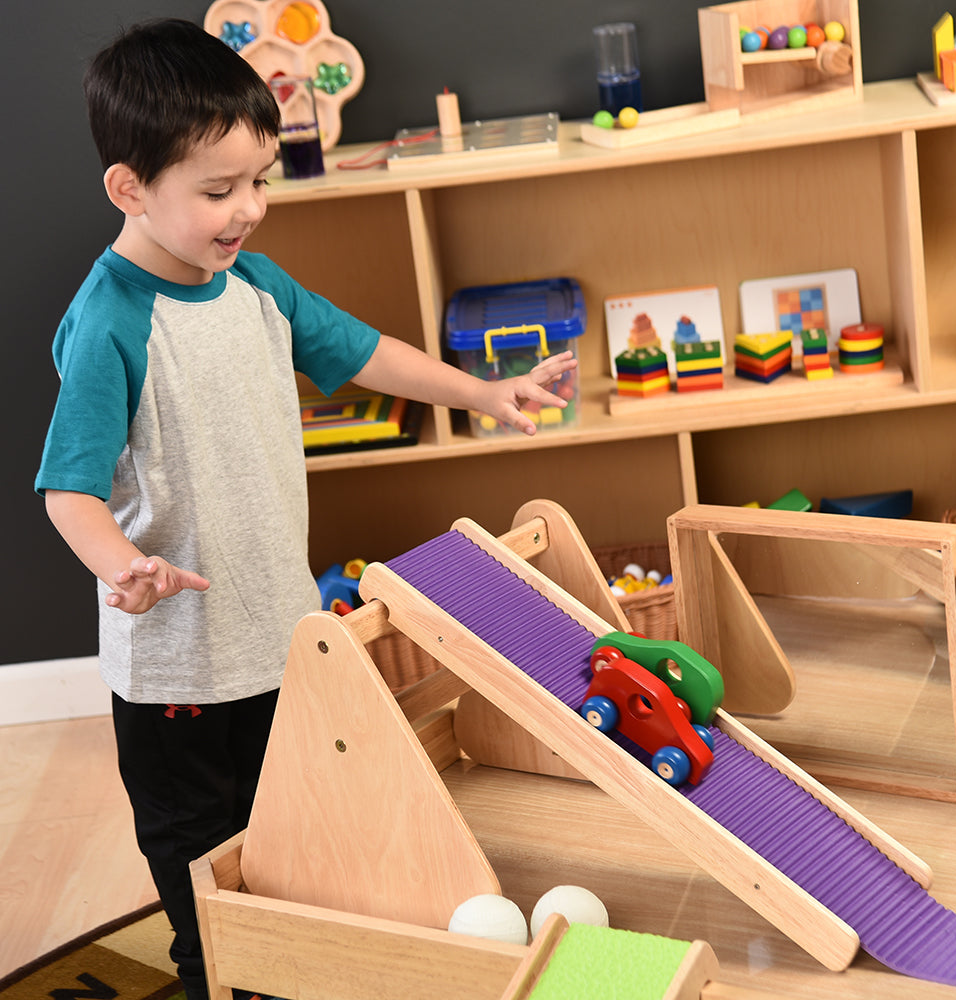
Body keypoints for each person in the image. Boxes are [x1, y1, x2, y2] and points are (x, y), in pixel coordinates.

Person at [34, 18, 576, 1000]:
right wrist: (124, 566)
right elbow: (68, 489)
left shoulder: (248, 281)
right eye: (217, 192)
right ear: (130, 189)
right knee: (206, 877)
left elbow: (359, 350)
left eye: (259, 180)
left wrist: (484, 392)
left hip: (277, 637)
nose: (250, 209)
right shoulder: (112, 320)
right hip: (177, 671)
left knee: (294, 839)